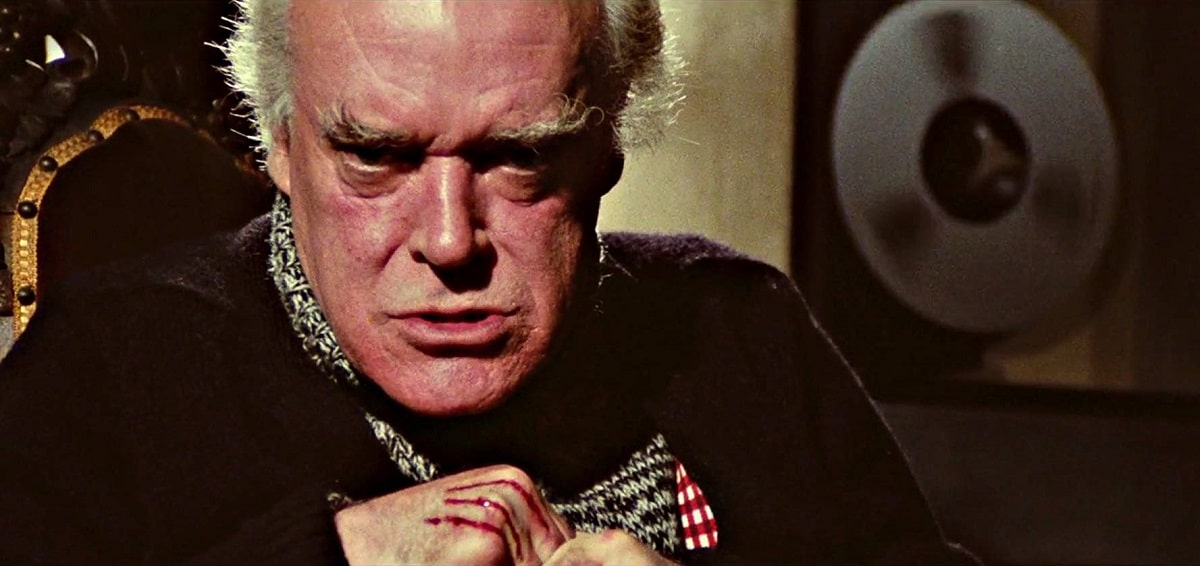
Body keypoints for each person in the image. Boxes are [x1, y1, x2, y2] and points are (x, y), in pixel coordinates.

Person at [0, 1, 978, 563]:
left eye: (519, 157)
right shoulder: (109, 367)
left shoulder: (740, 329)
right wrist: (331, 556)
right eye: (376, 156)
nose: (449, 239)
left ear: (607, 145)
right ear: (281, 146)